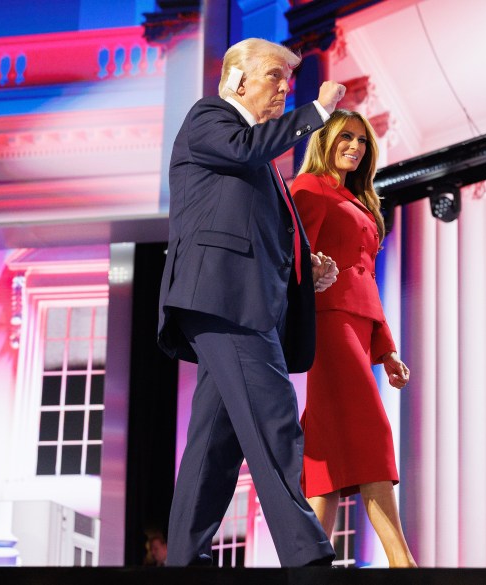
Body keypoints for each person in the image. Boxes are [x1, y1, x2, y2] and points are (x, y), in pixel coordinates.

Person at [156, 37, 346, 567]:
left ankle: (184, 560)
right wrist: (318, 111)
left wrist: (306, 265)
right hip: (224, 299)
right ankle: (307, 554)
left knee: (214, 447)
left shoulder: (256, 155)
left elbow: (258, 228)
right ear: (239, 80)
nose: (285, 89)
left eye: (289, 82)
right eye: (275, 78)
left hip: (240, 300)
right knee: (275, 416)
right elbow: (245, 150)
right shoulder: (209, 118)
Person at [291, 109, 416, 567]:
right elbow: (293, 264)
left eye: (361, 141)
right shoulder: (308, 190)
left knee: (327, 445)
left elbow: (367, 278)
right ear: (324, 139)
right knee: (371, 432)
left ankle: (309, 565)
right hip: (329, 322)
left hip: (360, 328)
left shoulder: (358, 200)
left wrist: (388, 350)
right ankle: (402, 562)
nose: (355, 146)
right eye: (345, 136)